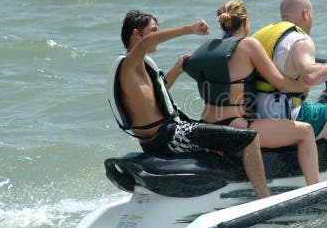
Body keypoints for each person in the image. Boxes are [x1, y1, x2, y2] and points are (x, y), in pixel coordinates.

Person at [113, 10, 270, 198]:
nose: (156, 34)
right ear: (137, 34)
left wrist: (177, 69)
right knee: (249, 137)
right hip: (171, 137)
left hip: (159, 138)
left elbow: (159, 94)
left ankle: (227, 185)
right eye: (154, 30)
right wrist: (189, 29)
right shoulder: (129, 64)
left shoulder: (139, 67)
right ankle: (264, 197)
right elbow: (145, 43)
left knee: (219, 134)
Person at [183, 0, 321, 185]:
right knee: (305, 131)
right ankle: (310, 189)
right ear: (245, 22)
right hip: (235, 125)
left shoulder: (209, 47)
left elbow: (189, 66)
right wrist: (304, 87)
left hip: (206, 123)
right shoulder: (249, 45)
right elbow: (280, 82)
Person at [252, 0, 327, 174]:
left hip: (254, 115)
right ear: (305, 14)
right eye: (312, 14)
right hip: (283, 116)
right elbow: (311, 76)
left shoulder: (262, 35)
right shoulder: (301, 40)